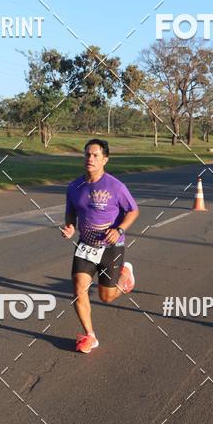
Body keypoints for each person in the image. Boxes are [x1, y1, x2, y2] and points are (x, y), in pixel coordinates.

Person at [61, 139, 139, 353]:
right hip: (86, 246)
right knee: (78, 290)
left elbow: (133, 210)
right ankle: (90, 336)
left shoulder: (116, 186)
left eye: (95, 155)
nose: (90, 159)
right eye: (87, 154)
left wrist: (119, 230)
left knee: (107, 296)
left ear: (105, 159)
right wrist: (69, 227)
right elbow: (71, 212)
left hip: (111, 247)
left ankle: (125, 277)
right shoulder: (74, 186)